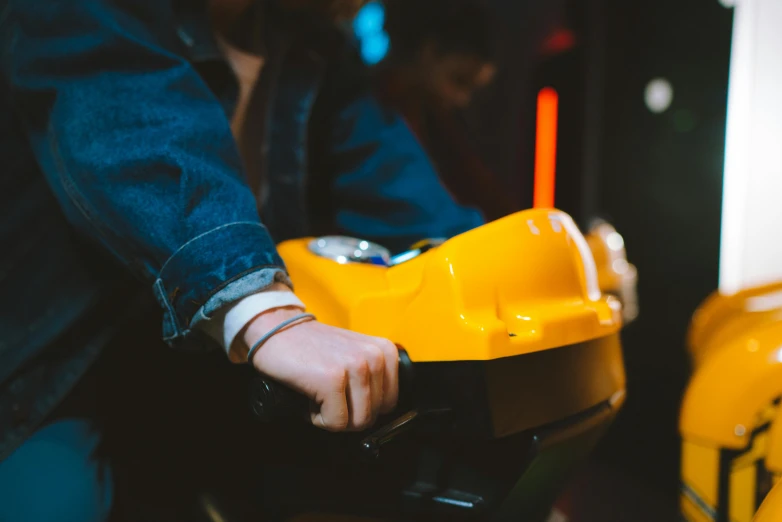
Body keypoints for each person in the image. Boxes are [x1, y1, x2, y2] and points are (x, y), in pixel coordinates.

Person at [0, 0, 482, 520]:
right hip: (55, 352)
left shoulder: (308, 41)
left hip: (204, 361)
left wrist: (516, 265)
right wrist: (268, 314)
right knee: (56, 502)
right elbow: (130, 123)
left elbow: (397, 188)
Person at [373, 0, 518, 221]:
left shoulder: (435, 117)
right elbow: (417, 209)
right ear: (428, 52)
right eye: (459, 80)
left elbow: (484, 190)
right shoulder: (376, 112)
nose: (463, 99)